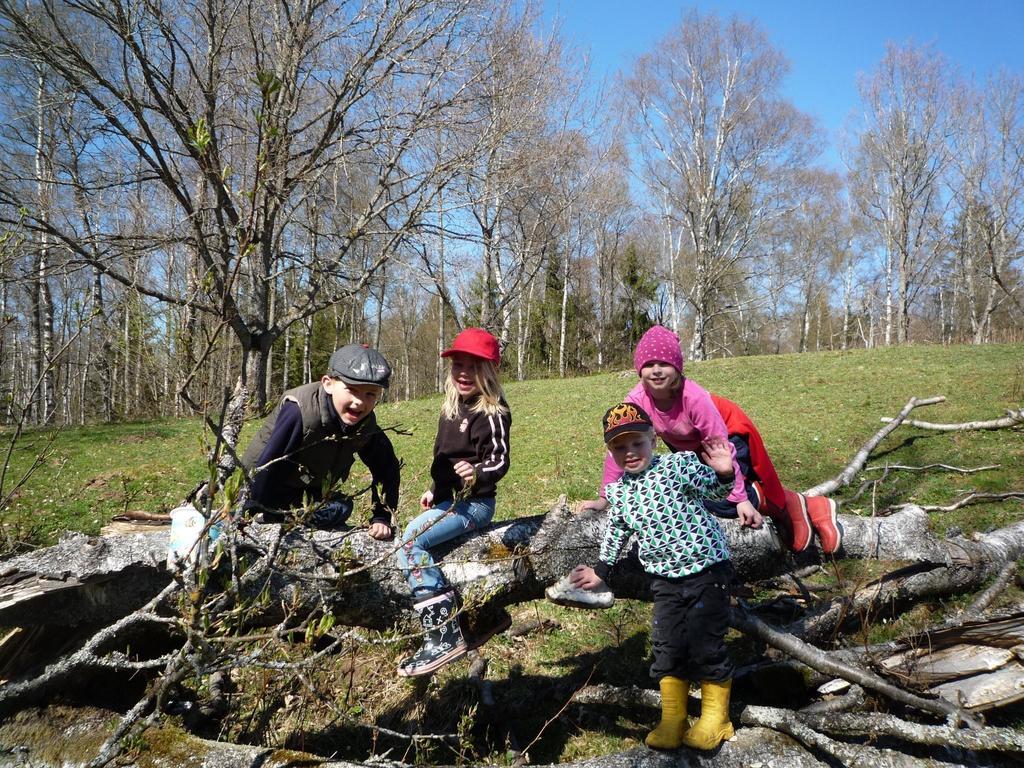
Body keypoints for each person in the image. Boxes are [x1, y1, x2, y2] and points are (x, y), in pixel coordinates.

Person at [581, 325, 840, 554]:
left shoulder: (693, 397)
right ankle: (797, 502)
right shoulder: (637, 401)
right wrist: (605, 498)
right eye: (648, 365)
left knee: (723, 500)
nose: (656, 370)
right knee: (693, 495)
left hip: (728, 436)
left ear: (677, 366)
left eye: (664, 363)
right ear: (639, 370)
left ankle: (787, 503)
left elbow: (722, 446)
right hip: (695, 449)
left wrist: (740, 498)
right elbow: (620, 444)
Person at [570, 402, 739, 751]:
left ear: (654, 440)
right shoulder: (620, 492)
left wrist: (724, 473)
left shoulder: (678, 466)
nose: (629, 452)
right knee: (667, 645)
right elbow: (616, 531)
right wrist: (601, 571)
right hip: (664, 579)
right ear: (610, 451)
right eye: (619, 447)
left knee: (706, 643)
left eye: (637, 443)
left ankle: (716, 719)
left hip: (707, 570)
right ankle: (673, 719)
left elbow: (715, 491)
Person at [395, 327, 512, 677]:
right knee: (419, 535)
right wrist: (435, 489)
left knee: (412, 540)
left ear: (490, 371)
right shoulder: (450, 408)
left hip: (475, 505)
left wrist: (477, 472)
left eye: (473, 366)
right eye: (458, 365)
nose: (463, 373)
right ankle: (474, 616)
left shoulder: (491, 412)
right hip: (449, 501)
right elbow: (444, 459)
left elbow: (500, 460)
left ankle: (443, 634)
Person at [238, 343, 398, 540]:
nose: (360, 402)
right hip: (261, 491)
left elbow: (387, 468)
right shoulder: (300, 411)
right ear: (328, 384)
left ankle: (286, 517)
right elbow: (267, 465)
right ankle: (272, 518)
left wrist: (381, 517)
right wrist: (247, 513)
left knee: (342, 507)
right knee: (334, 508)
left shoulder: (364, 425)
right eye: (352, 390)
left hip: (303, 493)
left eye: (370, 394)